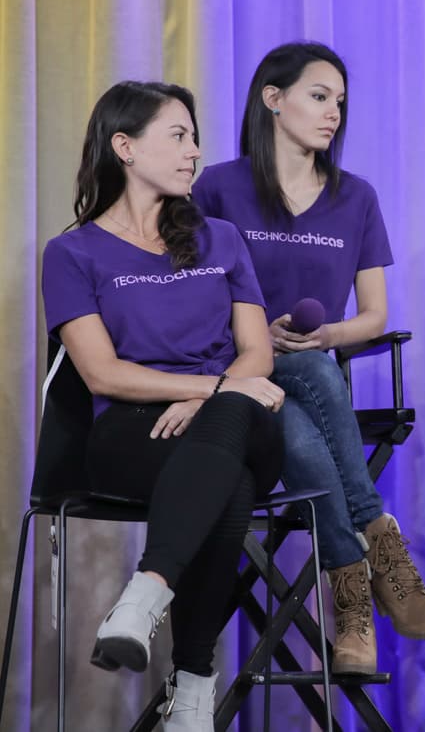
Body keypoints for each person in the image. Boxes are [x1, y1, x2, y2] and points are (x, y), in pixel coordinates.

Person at [191, 42, 425, 676]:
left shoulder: (355, 197)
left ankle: (352, 596)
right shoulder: (219, 186)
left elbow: (374, 316)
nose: (334, 111)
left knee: (304, 389)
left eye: (340, 100)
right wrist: (256, 332)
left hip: (309, 382)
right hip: (234, 372)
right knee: (294, 386)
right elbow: (190, 292)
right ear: (273, 100)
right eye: (318, 95)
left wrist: (327, 334)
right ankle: (376, 542)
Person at [42, 81, 286, 730]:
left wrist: (217, 397)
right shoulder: (72, 253)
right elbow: (102, 373)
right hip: (132, 434)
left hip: (244, 420)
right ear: (124, 146)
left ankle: (147, 590)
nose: (194, 152)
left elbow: (257, 353)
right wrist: (207, 390)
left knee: (234, 421)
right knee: (229, 480)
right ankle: (194, 690)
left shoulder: (222, 238)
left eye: (194, 138)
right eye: (178, 136)